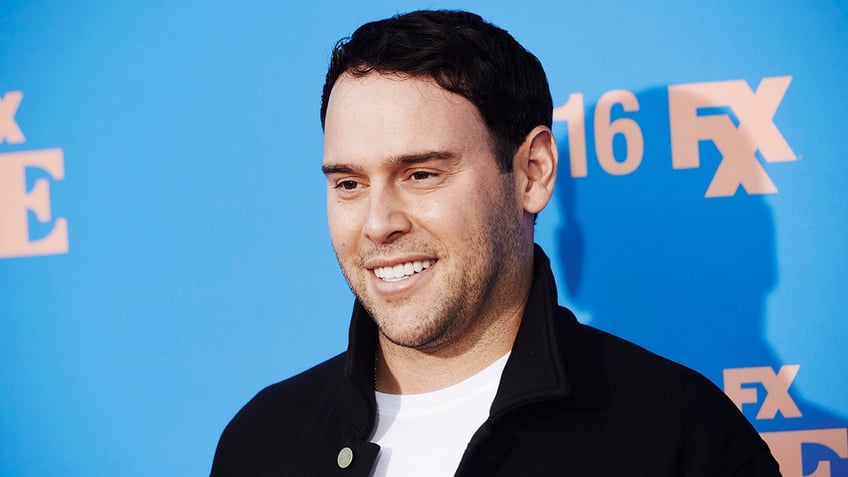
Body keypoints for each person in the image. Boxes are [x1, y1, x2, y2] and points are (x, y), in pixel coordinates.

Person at [211, 10, 782, 476]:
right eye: (349, 184)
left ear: (532, 172)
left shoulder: (680, 435)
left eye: (421, 174)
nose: (378, 223)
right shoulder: (261, 441)